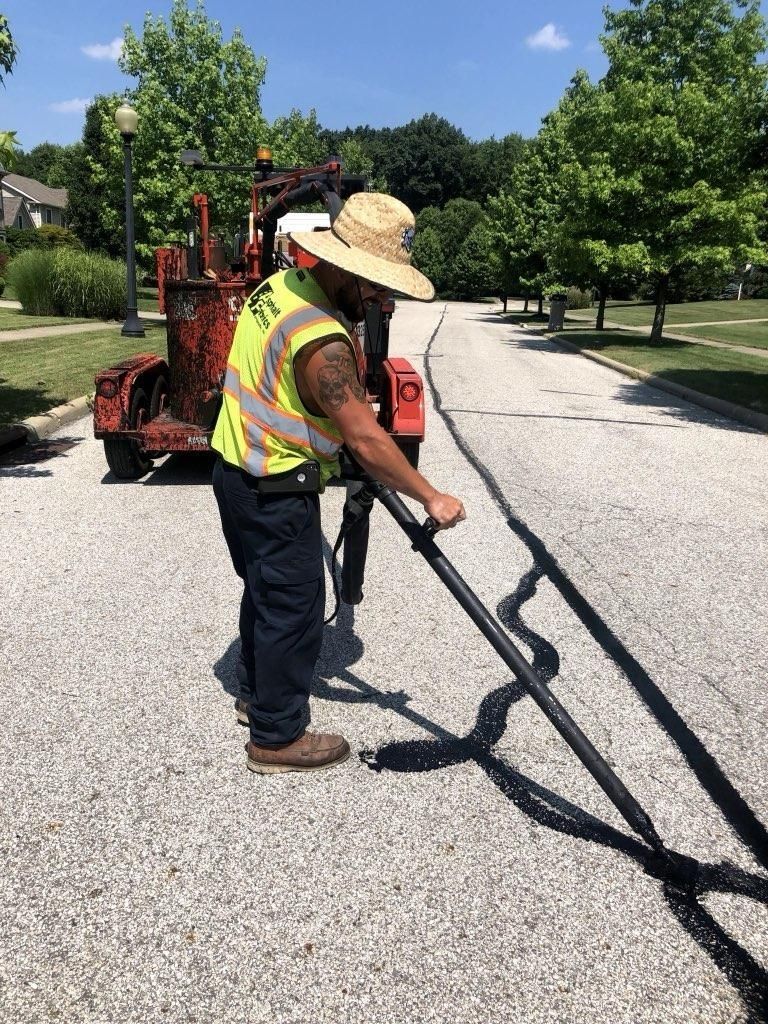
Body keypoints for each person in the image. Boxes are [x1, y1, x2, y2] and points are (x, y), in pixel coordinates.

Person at [211, 192, 465, 775]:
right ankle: (277, 737)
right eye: (376, 285)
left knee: (265, 592)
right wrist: (432, 496)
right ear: (343, 268)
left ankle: (257, 693)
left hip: (235, 468)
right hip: (275, 483)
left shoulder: (277, 288)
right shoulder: (322, 337)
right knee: (296, 606)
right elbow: (370, 441)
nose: (381, 297)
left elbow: (274, 385)